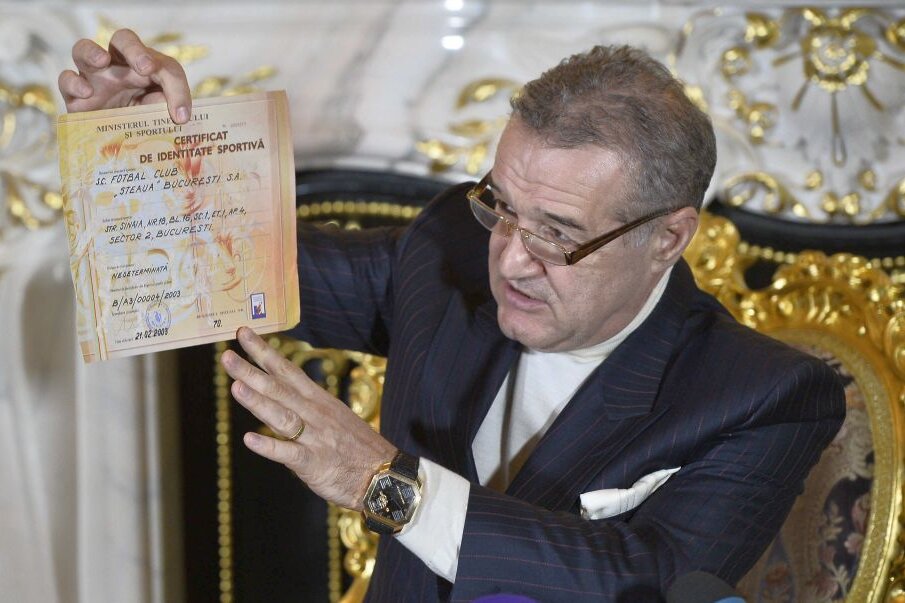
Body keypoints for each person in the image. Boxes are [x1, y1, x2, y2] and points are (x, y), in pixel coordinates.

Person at [60, 29, 845, 602]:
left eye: (557, 233)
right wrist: (135, 153)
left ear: (667, 237)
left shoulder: (760, 394)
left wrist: (382, 482)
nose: (511, 259)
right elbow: (237, 272)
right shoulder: (449, 254)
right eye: (501, 206)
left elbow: (645, 578)